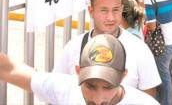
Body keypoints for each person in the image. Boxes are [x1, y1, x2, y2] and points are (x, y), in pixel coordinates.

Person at [53, 0, 161, 98]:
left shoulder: (139, 49)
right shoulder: (73, 47)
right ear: (91, 11)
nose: (111, 17)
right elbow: (56, 89)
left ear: (122, 10)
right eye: (104, 10)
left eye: (115, 10)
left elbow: (149, 95)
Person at [0, 34, 159, 104]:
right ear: (77, 72)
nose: (98, 99)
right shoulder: (66, 89)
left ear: (124, 76)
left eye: (108, 87)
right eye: (90, 86)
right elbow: (10, 69)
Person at [145, 0, 172, 105]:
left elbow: (152, 27)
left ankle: (165, 102)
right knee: (165, 72)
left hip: (162, 45)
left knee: (163, 76)